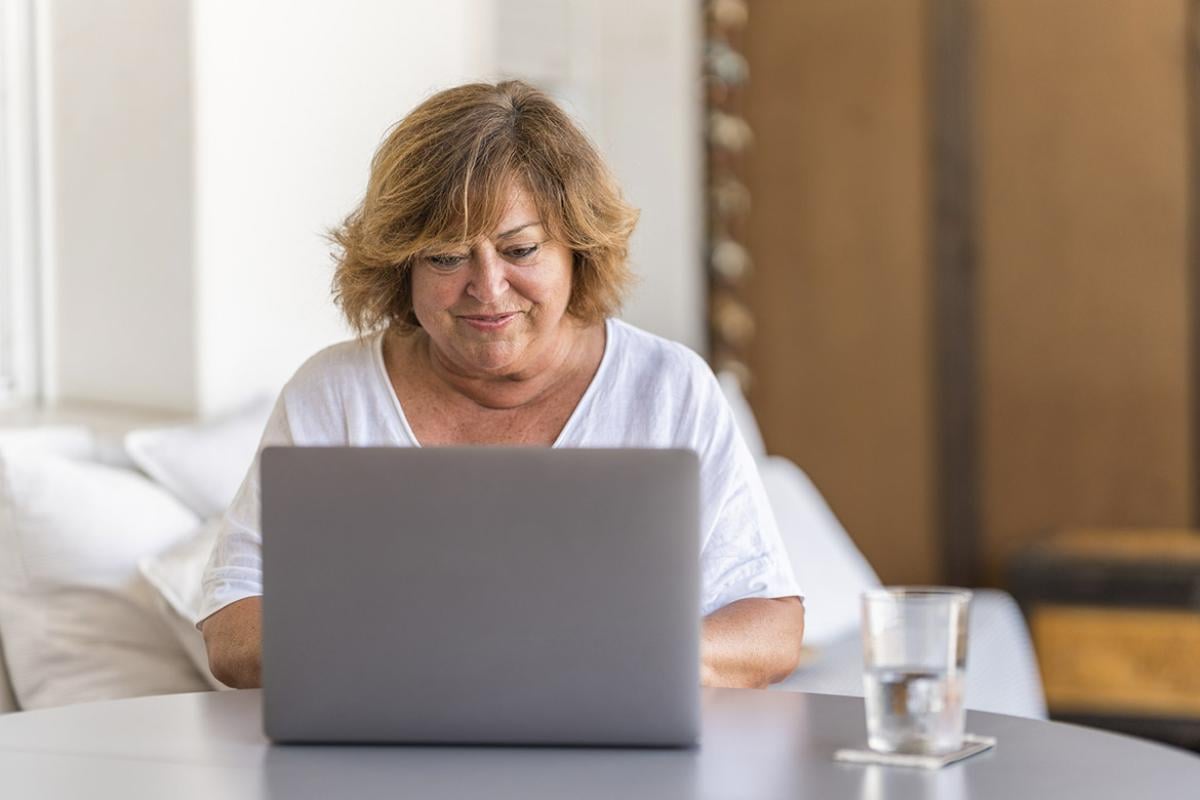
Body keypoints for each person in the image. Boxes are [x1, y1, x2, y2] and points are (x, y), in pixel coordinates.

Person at [199, 80, 805, 691]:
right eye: (444, 257)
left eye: (520, 249)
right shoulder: (333, 394)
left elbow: (772, 629)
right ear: (399, 266)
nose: (487, 288)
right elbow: (231, 630)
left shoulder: (669, 389)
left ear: (577, 248)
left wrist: (615, 659)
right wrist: (420, 658)